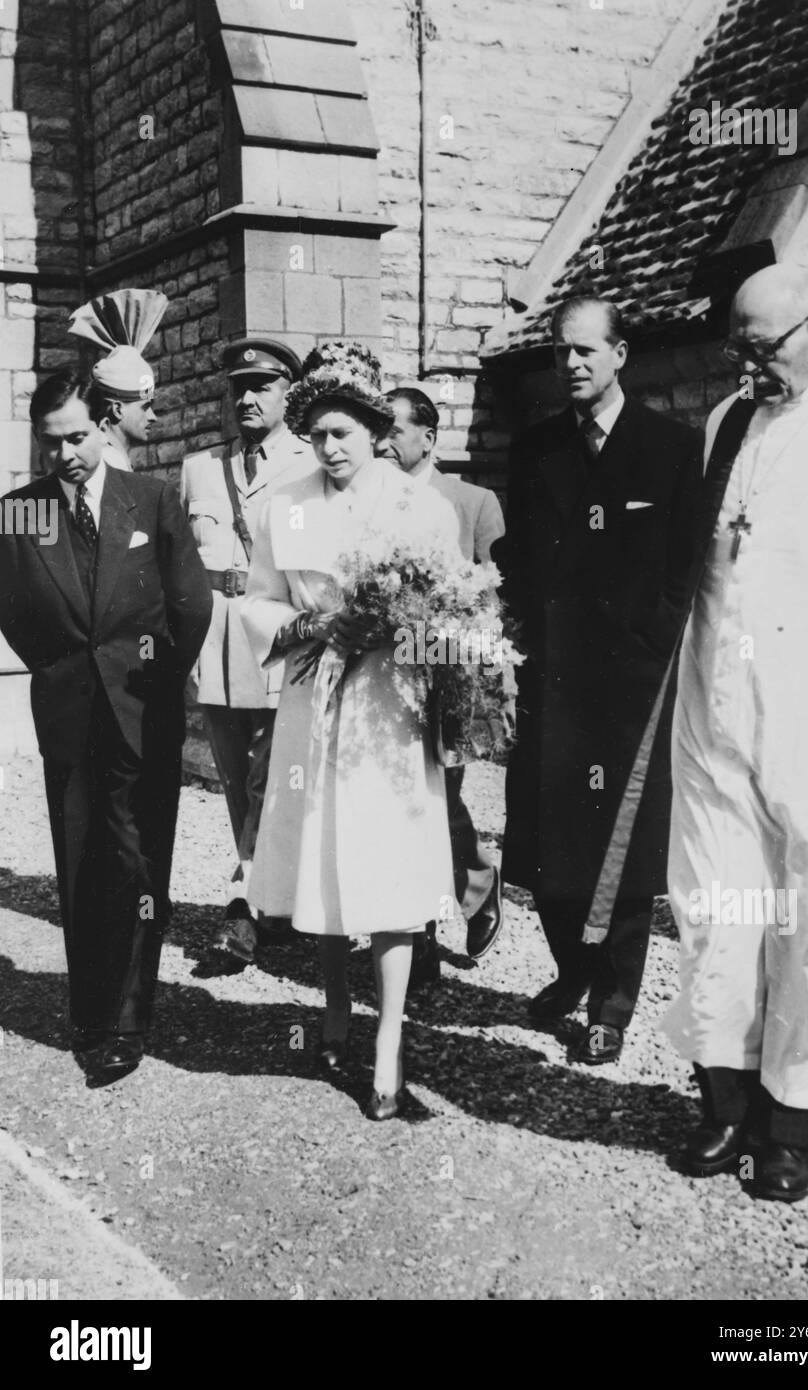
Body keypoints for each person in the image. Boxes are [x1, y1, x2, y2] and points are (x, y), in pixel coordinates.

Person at [663, 263, 808, 1202]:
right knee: (719, 910)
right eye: (738, 348)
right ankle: (723, 1101)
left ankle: (791, 1125)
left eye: (765, 347)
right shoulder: (725, 425)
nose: (748, 365)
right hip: (717, 702)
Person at [241, 343, 462, 1119]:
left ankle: (390, 1041)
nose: (331, 449)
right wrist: (308, 624)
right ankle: (334, 1007)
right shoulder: (284, 504)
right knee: (324, 857)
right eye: (320, 435)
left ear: (375, 429)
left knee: (391, 873)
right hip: (313, 699)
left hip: (388, 714)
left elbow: (452, 621)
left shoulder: (422, 510)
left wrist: (388, 633)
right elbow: (257, 600)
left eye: (345, 433)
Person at [494, 295, 702, 1064]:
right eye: (560, 353)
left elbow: (686, 564)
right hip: (553, 676)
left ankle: (612, 1002)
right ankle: (571, 970)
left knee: (624, 845)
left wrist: (654, 647)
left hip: (629, 687)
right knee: (549, 849)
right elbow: (520, 558)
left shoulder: (671, 448)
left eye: (586, 351)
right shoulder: (538, 446)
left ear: (621, 354)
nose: (572, 364)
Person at [0, 371, 212, 1082]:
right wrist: (65, 668)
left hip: (145, 708)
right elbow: (16, 610)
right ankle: (91, 1010)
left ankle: (126, 1022)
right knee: (83, 858)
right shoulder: (22, 513)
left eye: (79, 436)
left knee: (140, 861)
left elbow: (191, 604)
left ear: (104, 424)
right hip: (69, 715)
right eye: (52, 442)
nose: (66, 454)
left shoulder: (148, 498)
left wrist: (157, 678)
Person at [180, 338, 315, 965]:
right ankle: (271, 893)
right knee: (237, 778)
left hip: (279, 637)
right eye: (239, 386)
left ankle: (244, 904)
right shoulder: (201, 468)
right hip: (216, 640)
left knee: (269, 773)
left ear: (288, 393)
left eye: (262, 386)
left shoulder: (309, 465)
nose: (247, 398)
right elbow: (183, 562)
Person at [377, 386, 506, 983]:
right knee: (398, 804)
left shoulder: (473, 502)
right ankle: (418, 936)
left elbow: (493, 598)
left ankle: (477, 884)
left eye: (394, 429)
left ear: (429, 437)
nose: (382, 440)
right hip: (381, 675)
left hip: (447, 675)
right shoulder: (366, 499)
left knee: (439, 799)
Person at [67, 288, 168, 471]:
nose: (152, 417)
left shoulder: (115, 458)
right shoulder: (105, 463)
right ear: (117, 409)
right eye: (145, 407)